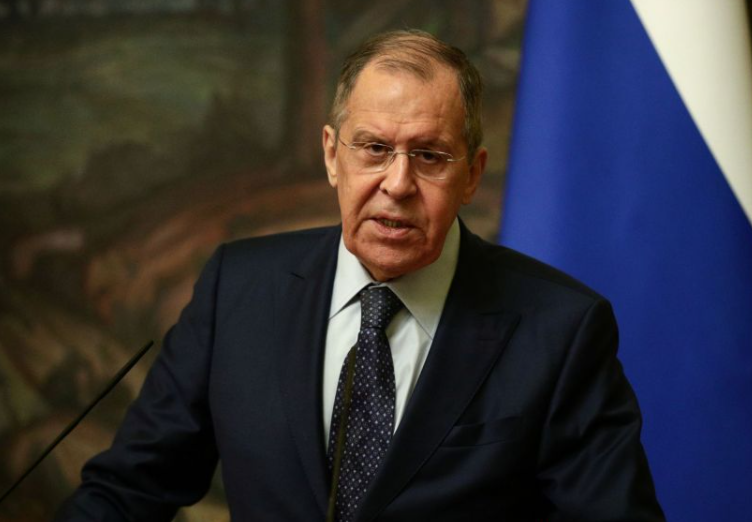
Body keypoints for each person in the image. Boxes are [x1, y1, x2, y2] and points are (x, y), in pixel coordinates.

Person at [55, 30, 665, 521]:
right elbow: (129, 489)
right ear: (331, 155)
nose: (397, 184)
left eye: (429, 156)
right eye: (374, 148)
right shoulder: (237, 290)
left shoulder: (560, 329)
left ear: (472, 175)